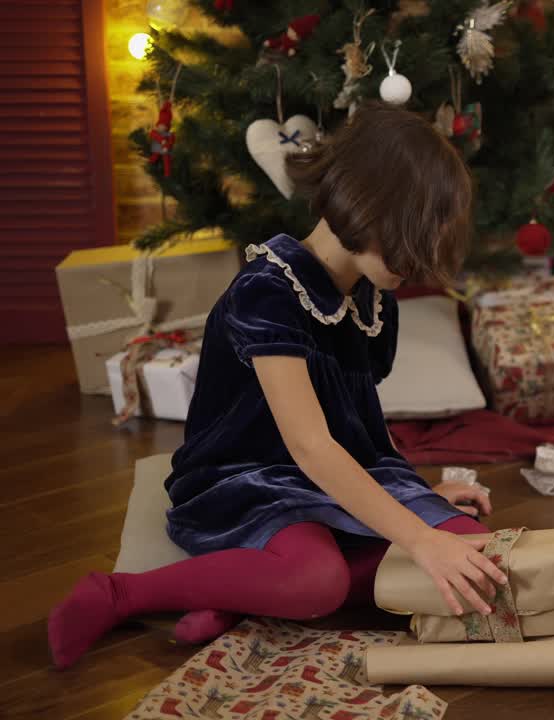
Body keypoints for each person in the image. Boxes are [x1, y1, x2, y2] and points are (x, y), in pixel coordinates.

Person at [48, 103, 505, 669]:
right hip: (249, 478)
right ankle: (122, 595)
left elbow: (354, 425)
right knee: (320, 579)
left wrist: (422, 496)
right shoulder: (266, 291)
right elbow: (309, 445)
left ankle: (241, 594)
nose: (421, 263)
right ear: (365, 204)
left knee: (474, 548)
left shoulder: (370, 296)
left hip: (337, 470)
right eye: (412, 239)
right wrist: (416, 535)